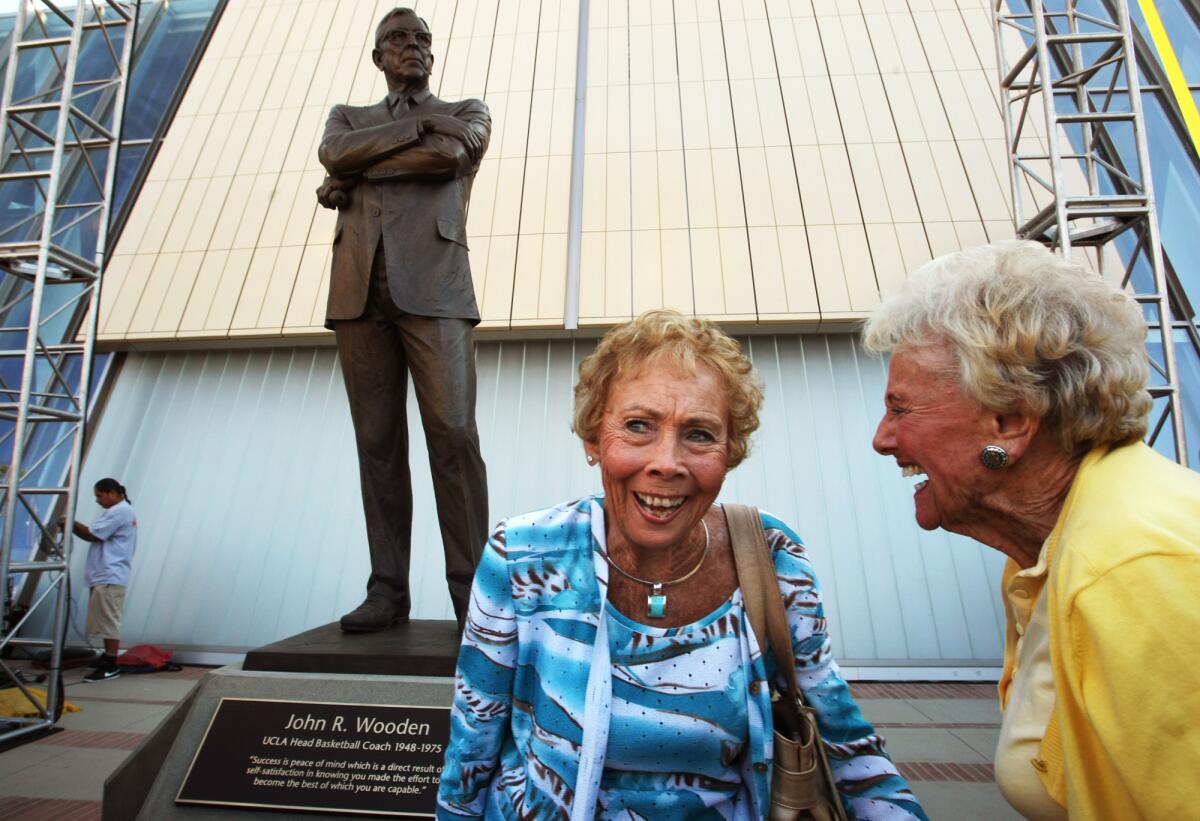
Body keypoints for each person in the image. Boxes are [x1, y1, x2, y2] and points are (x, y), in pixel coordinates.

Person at [437, 311, 925, 819]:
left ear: (729, 451)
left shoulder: (773, 556)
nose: (667, 462)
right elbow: (473, 743)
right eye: (638, 426)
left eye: (699, 434)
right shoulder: (523, 554)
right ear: (592, 437)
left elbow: (847, 746)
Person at [864, 240, 1200, 819]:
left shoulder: (1131, 571)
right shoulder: (1047, 556)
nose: (883, 439)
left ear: (1011, 423)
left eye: (902, 409)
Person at [317, 8, 490, 631]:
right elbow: (332, 150)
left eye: (421, 40)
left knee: (454, 435)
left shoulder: (468, 110)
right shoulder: (347, 117)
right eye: (398, 39)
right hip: (359, 290)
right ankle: (388, 590)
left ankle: (476, 598)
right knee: (378, 446)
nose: (411, 47)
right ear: (378, 56)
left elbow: (448, 157)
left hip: (437, 287)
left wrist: (351, 173)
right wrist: (408, 135)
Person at [69, 478, 138, 683]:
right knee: (104, 619)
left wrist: (70, 523)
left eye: (99, 496)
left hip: (110, 573)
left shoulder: (120, 511)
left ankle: (111, 663)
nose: (98, 501)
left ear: (111, 493)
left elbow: (93, 534)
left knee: (109, 620)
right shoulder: (120, 511)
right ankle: (107, 657)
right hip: (106, 573)